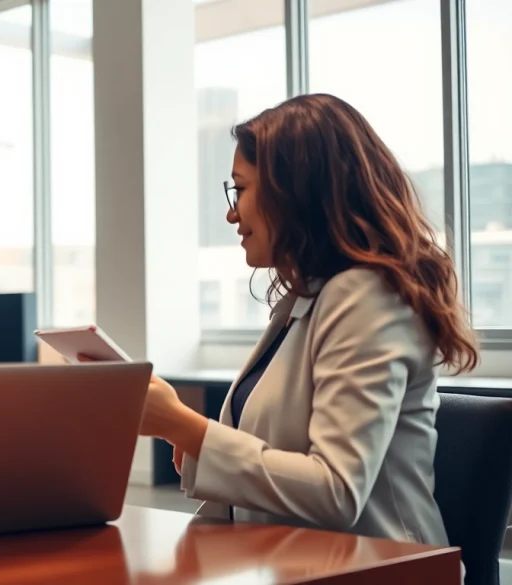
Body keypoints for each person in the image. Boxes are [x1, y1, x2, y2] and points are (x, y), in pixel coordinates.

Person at [140, 94, 478, 544]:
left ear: (293, 190)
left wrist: (185, 426)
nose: (231, 212)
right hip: (301, 563)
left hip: (385, 571)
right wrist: (193, 442)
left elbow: (336, 492)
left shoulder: (367, 295)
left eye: (240, 189)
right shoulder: (308, 299)